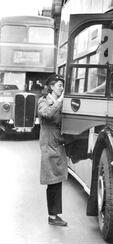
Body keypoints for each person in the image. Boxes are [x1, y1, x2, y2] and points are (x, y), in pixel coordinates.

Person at [38, 74, 68, 227]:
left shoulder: (59, 102)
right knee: (53, 181)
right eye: (59, 85)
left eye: (63, 85)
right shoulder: (44, 101)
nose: (61, 88)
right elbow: (46, 114)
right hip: (49, 145)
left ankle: (54, 215)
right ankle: (52, 216)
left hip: (57, 144)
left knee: (57, 180)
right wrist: (60, 101)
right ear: (51, 87)